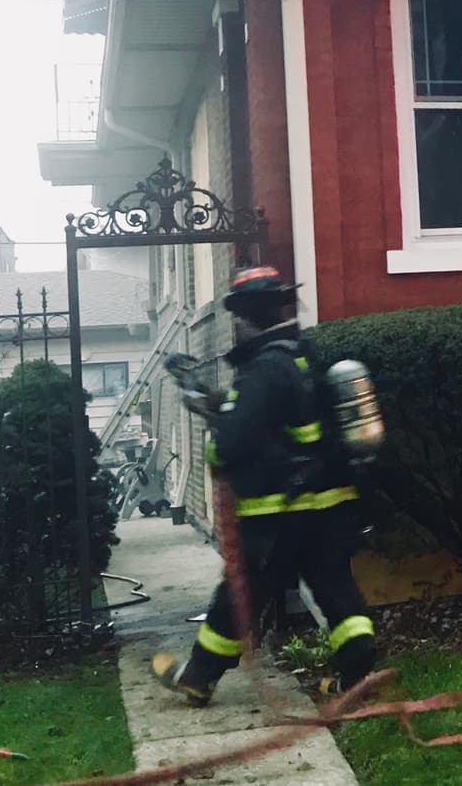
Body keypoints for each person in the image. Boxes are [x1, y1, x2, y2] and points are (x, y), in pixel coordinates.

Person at [152, 266, 376, 705]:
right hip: (327, 506)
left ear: (244, 317)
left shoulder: (262, 370)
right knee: (335, 587)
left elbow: (230, 446)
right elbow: (281, 424)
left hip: (278, 516)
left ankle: (198, 675)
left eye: (236, 316)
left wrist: (215, 431)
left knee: (240, 593)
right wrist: (218, 405)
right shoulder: (300, 355)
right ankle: (356, 673)